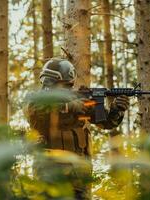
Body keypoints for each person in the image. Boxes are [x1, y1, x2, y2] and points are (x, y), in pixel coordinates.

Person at [26, 58, 130, 199]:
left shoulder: (80, 101)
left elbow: (106, 123)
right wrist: (71, 107)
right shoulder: (36, 100)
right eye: (47, 82)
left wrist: (117, 109)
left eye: (53, 83)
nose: (47, 86)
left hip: (79, 183)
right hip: (49, 179)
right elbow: (36, 113)